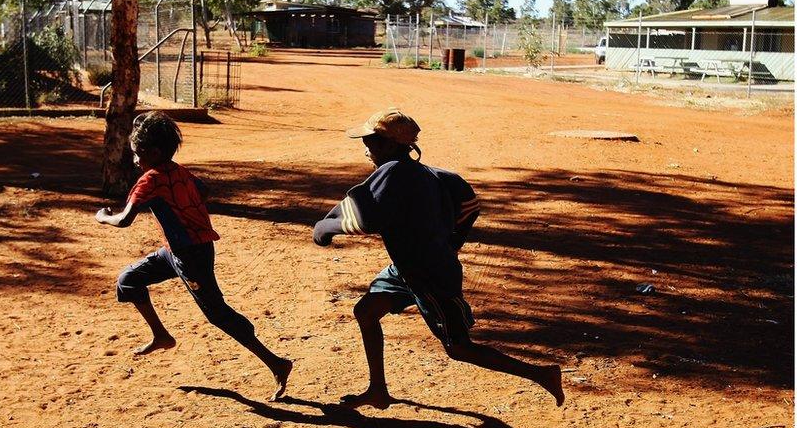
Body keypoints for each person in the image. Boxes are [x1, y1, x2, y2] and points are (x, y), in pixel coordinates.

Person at [312, 108, 564, 409]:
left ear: (391, 145)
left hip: (430, 276)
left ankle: (542, 374)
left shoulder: (393, 172)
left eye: (372, 141)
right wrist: (448, 242)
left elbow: (365, 216)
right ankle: (378, 391)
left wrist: (324, 228)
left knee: (458, 348)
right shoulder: (432, 173)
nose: (367, 148)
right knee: (366, 312)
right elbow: (469, 206)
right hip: (408, 269)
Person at [96, 111, 292, 401]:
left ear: (154, 152)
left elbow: (124, 219)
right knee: (128, 280)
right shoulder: (179, 171)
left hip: (190, 256)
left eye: (138, 154)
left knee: (217, 313)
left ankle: (276, 363)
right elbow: (204, 190)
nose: (136, 160)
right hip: (181, 251)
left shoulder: (151, 180)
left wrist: (104, 217)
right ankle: (161, 336)